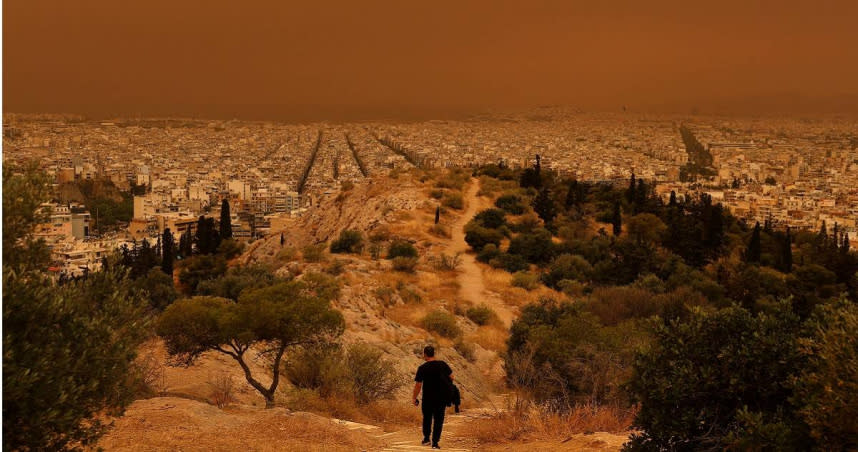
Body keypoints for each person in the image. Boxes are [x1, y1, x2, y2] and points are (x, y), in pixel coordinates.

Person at [413, 345, 453, 449]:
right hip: (441, 398)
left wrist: (414, 397)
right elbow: (452, 376)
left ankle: (426, 439)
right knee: (438, 420)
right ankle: (435, 443)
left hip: (428, 398)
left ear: (425, 354)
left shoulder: (422, 368)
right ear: (434, 353)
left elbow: (418, 385)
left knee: (427, 418)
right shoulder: (442, 364)